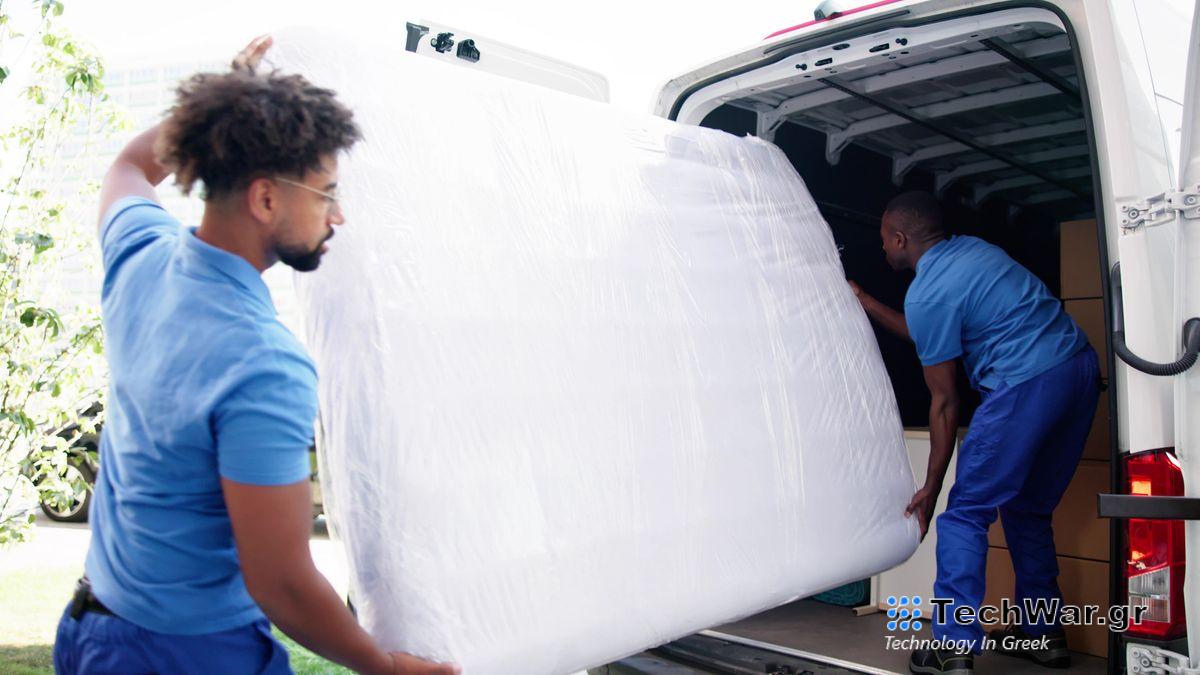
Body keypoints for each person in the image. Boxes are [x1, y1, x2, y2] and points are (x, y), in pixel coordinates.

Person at [52, 36, 458, 675]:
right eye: (325, 194)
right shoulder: (263, 364)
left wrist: (228, 108)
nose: (338, 216)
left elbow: (129, 165)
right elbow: (282, 583)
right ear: (266, 199)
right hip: (189, 656)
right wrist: (386, 667)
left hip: (92, 631)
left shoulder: (141, 255)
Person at [850, 191, 1099, 675]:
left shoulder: (928, 293)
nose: (881, 248)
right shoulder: (975, 252)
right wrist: (863, 301)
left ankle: (953, 645)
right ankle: (1042, 633)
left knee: (964, 515)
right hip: (1077, 372)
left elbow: (945, 403)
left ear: (899, 239)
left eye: (883, 239)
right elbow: (929, 329)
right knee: (1027, 510)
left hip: (1023, 382)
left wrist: (931, 487)